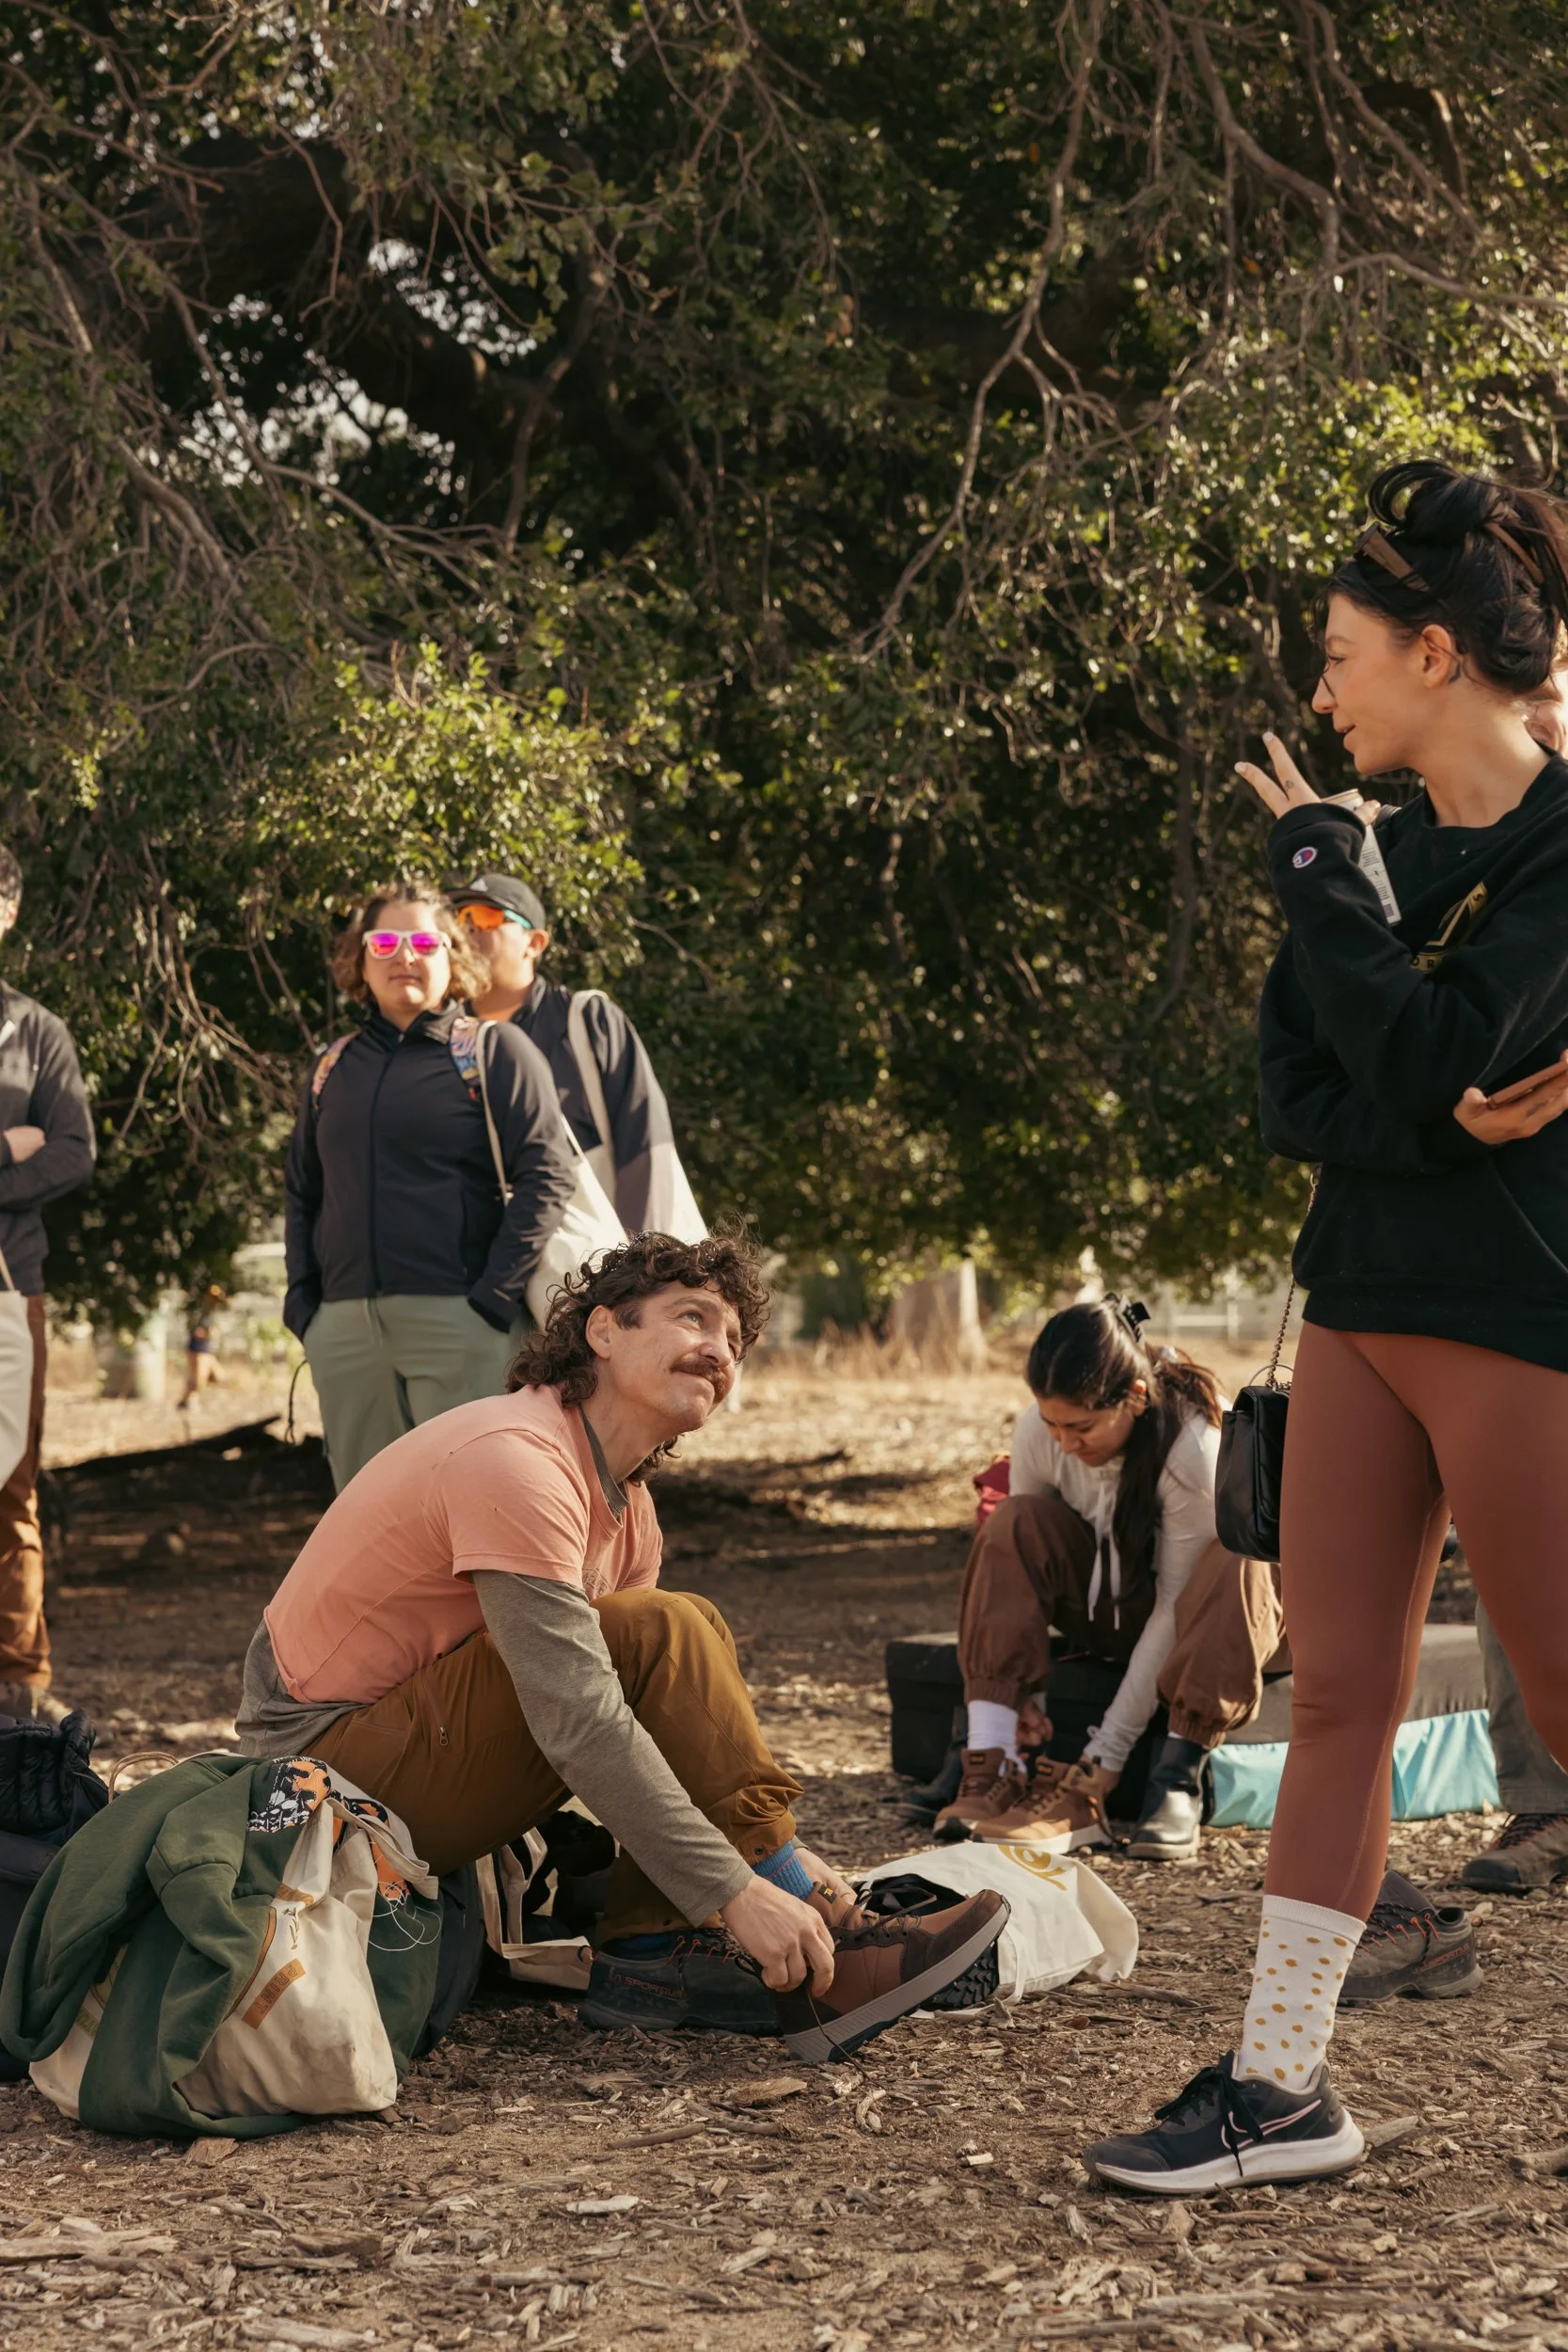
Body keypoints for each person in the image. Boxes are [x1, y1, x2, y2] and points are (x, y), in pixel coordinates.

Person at [1086, 458, 1568, 2195]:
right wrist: (1434, 1074)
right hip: (1364, 1304)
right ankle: (1280, 2085)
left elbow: (1438, 1054)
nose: (1317, 687)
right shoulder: (1359, 850)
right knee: (1343, 1689)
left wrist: (1423, 1044)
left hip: (1527, 1318)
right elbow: (1314, 1090)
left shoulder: (1561, 842)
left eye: (1339, 651)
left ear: (1433, 655)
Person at [237, 1232, 1006, 2058]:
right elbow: (579, 1721)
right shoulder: (514, 1459)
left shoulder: (628, 1510)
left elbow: (655, 1723)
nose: (717, 1350)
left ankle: (653, 1954)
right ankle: (826, 1949)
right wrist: (740, 1889)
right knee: (662, 1629)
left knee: (683, 1626)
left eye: (734, 1341)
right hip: (316, 1788)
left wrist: (788, 1867)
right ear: (602, 1330)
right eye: (691, 1318)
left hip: (407, 1762)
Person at [283, 884, 578, 1491]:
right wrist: (304, 1307)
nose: (404, 956)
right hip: (344, 1332)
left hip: (462, 1323)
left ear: (453, 957)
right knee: (369, 1523)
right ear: (361, 962)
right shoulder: (330, 1068)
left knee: (480, 1508)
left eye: (423, 941)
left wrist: (492, 1298)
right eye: (384, 942)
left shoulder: (495, 1052)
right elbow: (301, 1192)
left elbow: (548, 1175)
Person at [935, 1298, 1242, 1851]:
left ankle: (1176, 1777)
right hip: (1114, 1613)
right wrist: (1021, 1699)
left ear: (1135, 1397)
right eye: (1052, 1425)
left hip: (1210, 1622)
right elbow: (1021, 1562)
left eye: (1082, 1428)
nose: (1065, 1445)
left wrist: (1104, 1758)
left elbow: (1177, 1606)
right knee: (1013, 1519)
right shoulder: (1041, 1431)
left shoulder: (1193, 1447)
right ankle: (993, 1762)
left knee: (1234, 1557)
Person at [450, 872, 706, 1240]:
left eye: (486, 917)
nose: (469, 930)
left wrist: (639, 1268)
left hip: (604, 1270)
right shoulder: (445, 1039)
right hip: (492, 1275)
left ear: (534, 943)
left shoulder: (587, 1021)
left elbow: (645, 1145)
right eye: (460, 919)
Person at [0, 847, 96, 1726]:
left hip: (8, 1288)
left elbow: (71, 1150)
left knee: (9, 1483)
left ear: (8, 912)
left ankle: (22, 1687)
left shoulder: (37, 1033)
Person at [177, 1284, 227, 1411]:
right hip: (198, 1349)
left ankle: (186, 1399)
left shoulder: (211, 1312)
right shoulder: (200, 1312)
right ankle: (189, 1401)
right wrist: (210, 1333)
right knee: (199, 1380)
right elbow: (197, 1332)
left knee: (219, 1377)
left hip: (206, 1349)